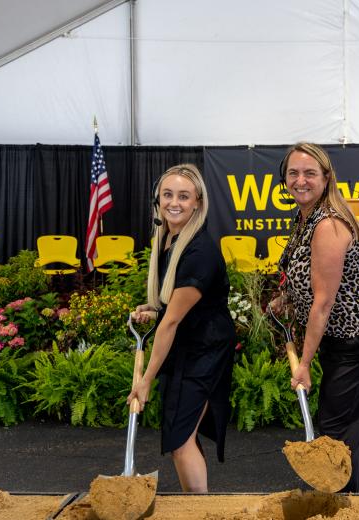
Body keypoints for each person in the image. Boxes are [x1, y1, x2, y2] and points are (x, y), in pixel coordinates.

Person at [271, 142, 359, 493]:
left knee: (335, 422)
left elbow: (323, 303)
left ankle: (338, 500)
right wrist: (287, 298)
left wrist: (304, 364)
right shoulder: (306, 216)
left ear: (326, 177)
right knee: (352, 414)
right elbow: (310, 281)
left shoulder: (328, 225)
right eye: (293, 173)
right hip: (341, 334)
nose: (300, 180)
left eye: (310, 173)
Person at [127, 163, 236, 493]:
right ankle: (197, 502)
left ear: (198, 203)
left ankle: (199, 508)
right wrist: (153, 307)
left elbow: (172, 321)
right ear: (157, 199)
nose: (174, 202)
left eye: (184, 196)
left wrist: (144, 381)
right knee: (180, 433)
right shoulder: (166, 238)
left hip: (204, 350)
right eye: (168, 195)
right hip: (186, 345)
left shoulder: (199, 253)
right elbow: (170, 307)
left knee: (179, 437)